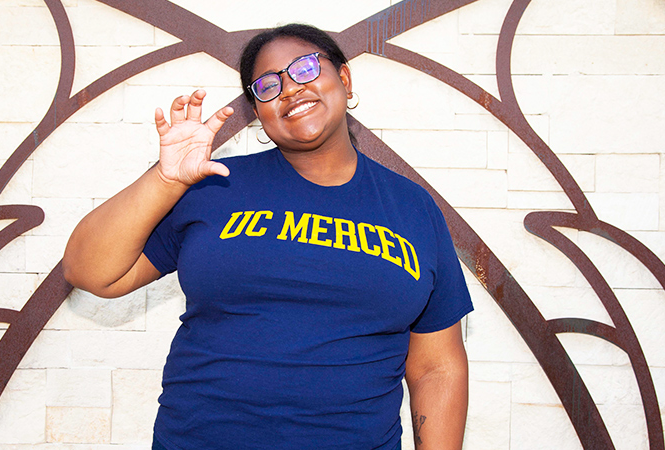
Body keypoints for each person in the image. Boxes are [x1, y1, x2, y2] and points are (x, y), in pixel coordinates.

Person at [63, 23, 473, 450]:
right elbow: (89, 271)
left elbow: (436, 367)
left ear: (345, 79)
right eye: (267, 85)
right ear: (257, 112)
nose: (290, 89)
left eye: (305, 68)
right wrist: (166, 180)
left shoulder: (413, 208)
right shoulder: (213, 188)